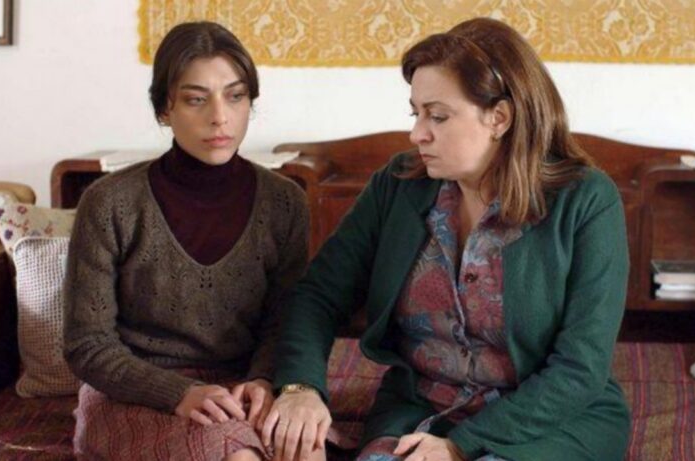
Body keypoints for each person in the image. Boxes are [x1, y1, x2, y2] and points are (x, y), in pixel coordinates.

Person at [265, 17, 630, 461]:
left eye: (437, 116)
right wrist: (300, 387)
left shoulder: (587, 200)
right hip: (420, 410)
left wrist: (458, 447)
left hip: (548, 423)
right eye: (416, 113)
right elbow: (319, 293)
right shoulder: (398, 186)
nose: (417, 133)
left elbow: (580, 368)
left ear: (499, 118)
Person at [63, 21, 309, 461]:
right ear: (164, 108)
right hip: (133, 394)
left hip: (238, 389)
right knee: (236, 456)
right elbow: (87, 345)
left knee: (304, 449)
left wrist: (263, 379)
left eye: (235, 96)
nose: (220, 116)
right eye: (197, 99)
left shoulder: (285, 201)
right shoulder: (109, 202)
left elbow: (285, 320)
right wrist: (178, 392)